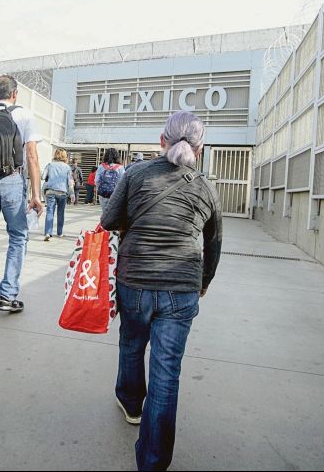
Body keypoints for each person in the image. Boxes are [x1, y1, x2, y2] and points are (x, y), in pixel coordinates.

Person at [101, 111, 222, 472]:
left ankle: (131, 403)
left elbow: (107, 220)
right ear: (199, 150)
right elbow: (214, 242)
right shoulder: (205, 187)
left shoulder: (136, 174)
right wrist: (203, 283)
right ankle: (152, 463)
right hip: (181, 288)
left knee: (132, 343)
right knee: (167, 372)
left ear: (161, 140)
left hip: (134, 280)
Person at [0, 75, 43, 322]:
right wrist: (36, 194)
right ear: (15, 93)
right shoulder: (24, 115)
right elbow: (32, 156)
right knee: (18, 237)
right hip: (12, 181)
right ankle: (7, 295)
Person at [42, 149, 75, 241]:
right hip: (62, 192)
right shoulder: (67, 168)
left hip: (50, 191)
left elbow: (43, 176)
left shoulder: (50, 165)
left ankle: (48, 232)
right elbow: (70, 182)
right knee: (60, 213)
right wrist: (72, 194)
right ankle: (59, 233)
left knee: (49, 212)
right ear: (65, 156)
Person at [95, 147, 125, 212]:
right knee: (114, 214)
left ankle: (104, 222)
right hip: (115, 194)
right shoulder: (120, 167)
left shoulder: (101, 166)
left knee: (104, 213)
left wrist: (101, 188)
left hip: (103, 194)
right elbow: (123, 182)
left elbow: (96, 180)